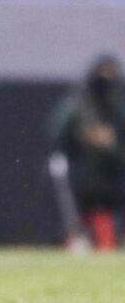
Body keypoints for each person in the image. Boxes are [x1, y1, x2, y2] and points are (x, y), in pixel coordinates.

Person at [50, 54, 125, 250]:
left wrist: (111, 145)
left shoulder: (117, 108)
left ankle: (107, 245)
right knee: (75, 218)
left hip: (110, 176)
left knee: (104, 216)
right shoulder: (77, 107)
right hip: (80, 175)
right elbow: (57, 136)